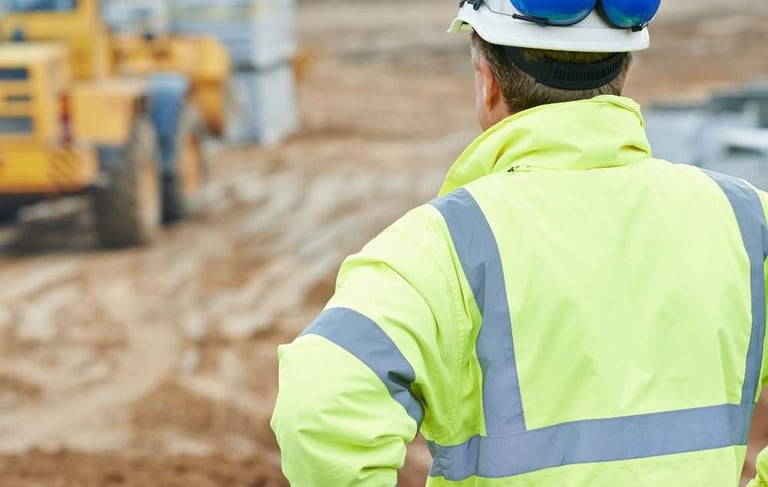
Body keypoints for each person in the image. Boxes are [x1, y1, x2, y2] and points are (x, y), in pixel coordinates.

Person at [271, 0, 768, 485]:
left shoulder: (439, 248)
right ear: (625, 74)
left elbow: (321, 407)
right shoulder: (750, 222)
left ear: (487, 83)